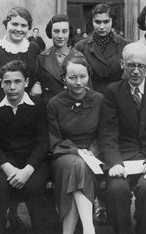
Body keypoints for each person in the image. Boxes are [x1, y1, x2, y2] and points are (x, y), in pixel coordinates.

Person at [99, 42, 146, 234]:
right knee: (116, 190)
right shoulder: (113, 91)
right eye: (131, 65)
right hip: (123, 157)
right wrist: (114, 162)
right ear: (123, 64)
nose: (136, 71)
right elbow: (108, 133)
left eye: (141, 66)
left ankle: (145, 229)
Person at [0, 60, 54, 234]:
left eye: (17, 81)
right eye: (7, 82)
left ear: (26, 82)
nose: (12, 87)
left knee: (34, 186)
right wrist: (8, 168)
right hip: (5, 164)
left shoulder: (38, 105)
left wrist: (27, 170)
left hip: (34, 163)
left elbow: (42, 142)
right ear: (1, 83)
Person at [48, 55, 103, 234]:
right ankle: (89, 228)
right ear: (63, 78)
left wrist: (91, 153)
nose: (78, 82)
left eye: (82, 77)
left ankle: (69, 231)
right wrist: (77, 151)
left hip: (95, 156)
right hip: (63, 155)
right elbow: (53, 139)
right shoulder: (54, 104)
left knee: (78, 167)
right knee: (75, 164)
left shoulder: (100, 100)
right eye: (72, 78)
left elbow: (105, 134)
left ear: (88, 76)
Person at [0, 7, 41, 104]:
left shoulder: (34, 49)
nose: (19, 29)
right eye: (14, 24)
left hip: (27, 106)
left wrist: (37, 83)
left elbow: (40, 74)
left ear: (29, 27)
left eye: (23, 25)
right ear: (7, 24)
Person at [74, 3, 130, 95]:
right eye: (97, 22)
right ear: (92, 22)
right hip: (90, 99)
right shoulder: (81, 47)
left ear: (112, 21)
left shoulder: (125, 45)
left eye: (106, 22)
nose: (101, 27)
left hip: (117, 98)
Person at [31, 14, 85, 103]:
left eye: (64, 31)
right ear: (50, 32)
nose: (60, 36)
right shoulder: (42, 58)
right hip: (49, 109)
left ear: (69, 33)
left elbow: (86, 88)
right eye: (56, 31)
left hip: (73, 109)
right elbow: (37, 83)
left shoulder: (79, 57)